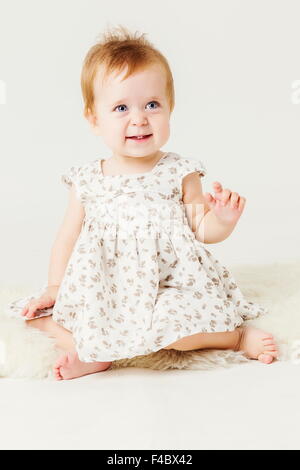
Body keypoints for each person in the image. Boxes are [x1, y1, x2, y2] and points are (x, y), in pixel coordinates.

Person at [6, 25, 278, 380]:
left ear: (170, 109)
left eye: (152, 104)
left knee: (173, 331)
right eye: (121, 107)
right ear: (94, 119)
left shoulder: (179, 171)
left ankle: (235, 337)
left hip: (168, 286)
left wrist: (223, 219)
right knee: (38, 319)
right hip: (106, 288)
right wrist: (57, 287)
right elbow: (67, 238)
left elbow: (201, 227)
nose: (139, 118)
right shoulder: (87, 179)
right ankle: (89, 351)